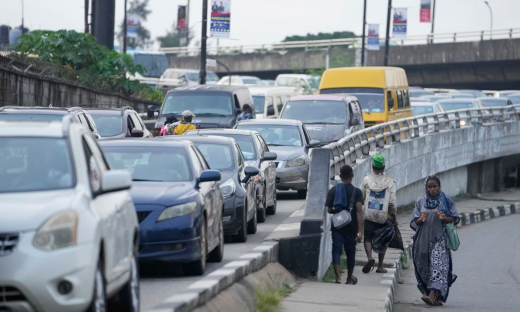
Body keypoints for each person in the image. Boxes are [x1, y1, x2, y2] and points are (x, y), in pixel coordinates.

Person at [411, 176, 459, 306]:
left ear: (439, 187)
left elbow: (455, 218)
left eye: (434, 186)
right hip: (423, 240)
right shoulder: (421, 202)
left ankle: (431, 295)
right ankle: (436, 296)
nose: (432, 189)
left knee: (438, 266)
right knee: (425, 267)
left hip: (440, 240)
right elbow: (415, 221)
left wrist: (444, 218)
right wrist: (421, 219)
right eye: (429, 187)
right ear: (426, 188)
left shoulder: (446, 202)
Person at [326, 165, 364, 285]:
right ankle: (348, 279)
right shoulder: (357, 192)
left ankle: (337, 277)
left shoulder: (333, 190)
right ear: (352, 176)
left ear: (340, 176)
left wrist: (338, 212)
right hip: (351, 227)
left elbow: (329, 210)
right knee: (350, 252)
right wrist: (360, 231)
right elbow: (359, 211)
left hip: (337, 226)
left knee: (336, 250)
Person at [360, 154, 397, 274]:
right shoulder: (390, 182)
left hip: (369, 214)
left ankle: (370, 257)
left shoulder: (366, 179)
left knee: (368, 237)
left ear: (372, 166)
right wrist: (393, 216)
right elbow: (391, 202)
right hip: (383, 215)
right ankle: (380, 266)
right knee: (383, 239)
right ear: (384, 166)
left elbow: (361, 197)